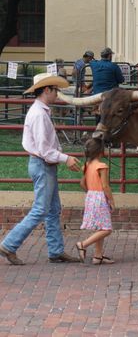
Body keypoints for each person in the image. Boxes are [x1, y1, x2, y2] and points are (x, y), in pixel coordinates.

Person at [0, 73, 82, 265]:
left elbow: (44, 148)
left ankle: (55, 250)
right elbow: (45, 150)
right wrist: (66, 158)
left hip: (43, 164)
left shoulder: (40, 111)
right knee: (41, 209)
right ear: (47, 90)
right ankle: (9, 245)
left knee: (52, 209)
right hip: (43, 164)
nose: (57, 94)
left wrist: (61, 157)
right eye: (55, 90)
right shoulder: (39, 114)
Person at [75, 138, 115, 265]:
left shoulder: (87, 166)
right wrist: (112, 201)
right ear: (101, 152)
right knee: (107, 229)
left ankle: (98, 256)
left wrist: (90, 192)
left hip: (91, 196)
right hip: (100, 198)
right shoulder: (102, 166)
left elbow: (82, 183)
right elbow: (105, 186)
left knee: (100, 226)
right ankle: (83, 244)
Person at [90, 47, 124, 124]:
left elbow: (91, 61)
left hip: (97, 96)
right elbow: (121, 80)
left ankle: (98, 130)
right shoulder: (114, 66)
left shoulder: (94, 64)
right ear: (109, 56)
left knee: (98, 115)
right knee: (112, 115)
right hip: (111, 96)